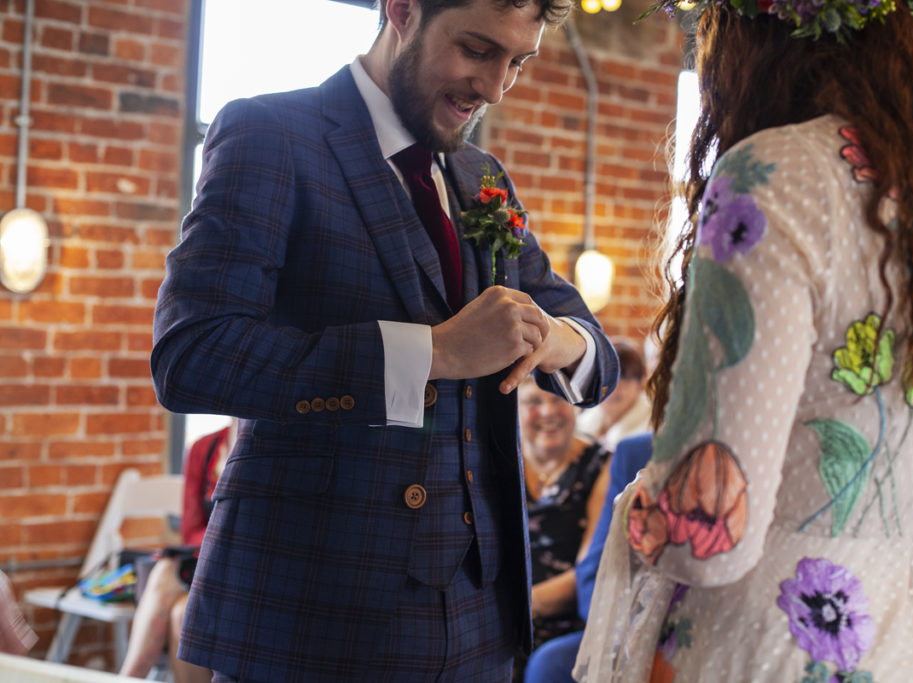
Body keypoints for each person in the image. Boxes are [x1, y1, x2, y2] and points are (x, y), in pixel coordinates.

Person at [149, 0, 619, 677]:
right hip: (312, 615)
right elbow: (192, 356)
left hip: (481, 624)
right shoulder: (269, 133)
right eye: (477, 49)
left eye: (517, 62)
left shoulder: (482, 177)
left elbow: (595, 353)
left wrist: (554, 338)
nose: (493, 87)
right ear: (401, 9)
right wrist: (434, 354)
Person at [575, 1, 913, 681]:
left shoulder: (775, 176)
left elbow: (711, 539)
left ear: (760, 38)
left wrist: (644, 504)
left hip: (781, 647)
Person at [522, 432, 651, 683]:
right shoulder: (635, 451)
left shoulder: (598, 462)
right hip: (622, 620)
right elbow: (595, 567)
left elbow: (582, 570)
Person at [119, 422, 235, 682]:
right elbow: (190, 529)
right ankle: (130, 676)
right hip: (204, 564)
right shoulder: (204, 448)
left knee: (183, 615)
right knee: (167, 576)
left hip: (239, 571)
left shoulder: (269, 450)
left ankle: (128, 677)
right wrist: (218, 540)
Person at [518, 377, 611, 656]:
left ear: (576, 406)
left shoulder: (603, 466)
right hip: (498, 615)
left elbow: (590, 571)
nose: (547, 411)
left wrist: (518, 608)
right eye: (534, 401)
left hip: (563, 623)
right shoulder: (497, 461)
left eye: (558, 399)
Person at [576, 337, 652, 451]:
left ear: (640, 383)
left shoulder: (651, 431)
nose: (613, 388)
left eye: (624, 378)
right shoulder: (582, 424)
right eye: (605, 378)